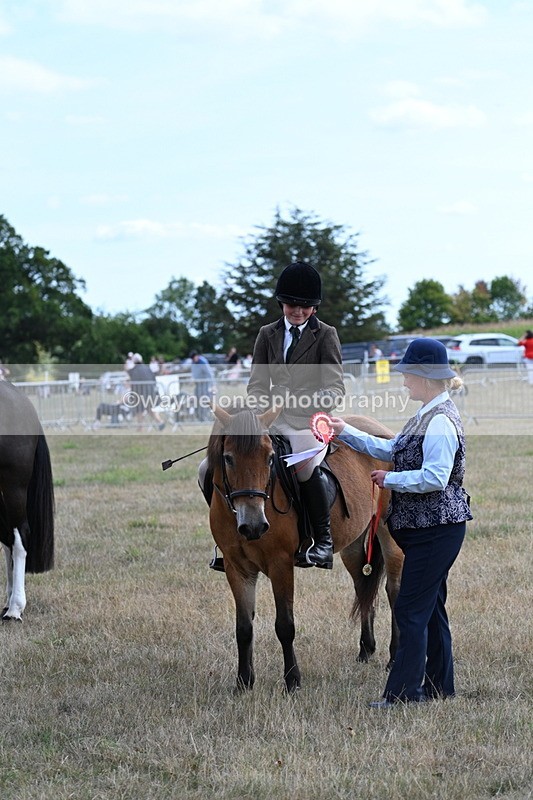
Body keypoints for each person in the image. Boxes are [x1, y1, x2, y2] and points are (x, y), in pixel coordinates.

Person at [329, 338, 472, 707]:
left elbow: (436, 477)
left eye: (408, 375)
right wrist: (345, 431)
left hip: (436, 530)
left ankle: (404, 694)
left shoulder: (439, 422)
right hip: (430, 529)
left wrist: (389, 479)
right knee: (432, 609)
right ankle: (440, 686)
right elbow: (391, 449)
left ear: (424, 377)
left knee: (410, 610)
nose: (404, 381)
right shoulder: (426, 415)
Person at [246, 260, 345, 569]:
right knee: (219, 465)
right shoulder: (267, 334)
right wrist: (262, 410)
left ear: (314, 308)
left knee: (304, 468)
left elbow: (335, 388)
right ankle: (230, 543)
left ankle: (323, 542)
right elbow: (257, 384)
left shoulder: (325, 335)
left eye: (304, 306)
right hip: (272, 421)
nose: (298, 311)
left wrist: (302, 401)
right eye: (291, 305)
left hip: (307, 422)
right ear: (282, 303)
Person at [127, 353, 166, 430]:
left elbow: (132, 382)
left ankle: (140, 427)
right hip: (150, 392)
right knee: (149, 409)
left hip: (140, 393)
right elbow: (153, 379)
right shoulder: (147, 368)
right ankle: (160, 422)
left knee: (139, 410)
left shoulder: (134, 370)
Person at [190, 351, 215, 421]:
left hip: (205, 385)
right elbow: (193, 373)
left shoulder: (203, 362)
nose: (194, 359)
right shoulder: (193, 363)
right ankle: (199, 417)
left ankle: (205, 417)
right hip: (198, 385)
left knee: (204, 401)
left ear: (197, 356)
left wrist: (213, 385)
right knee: (197, 401)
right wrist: (192, 379)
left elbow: (210, 374)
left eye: (194, 358)